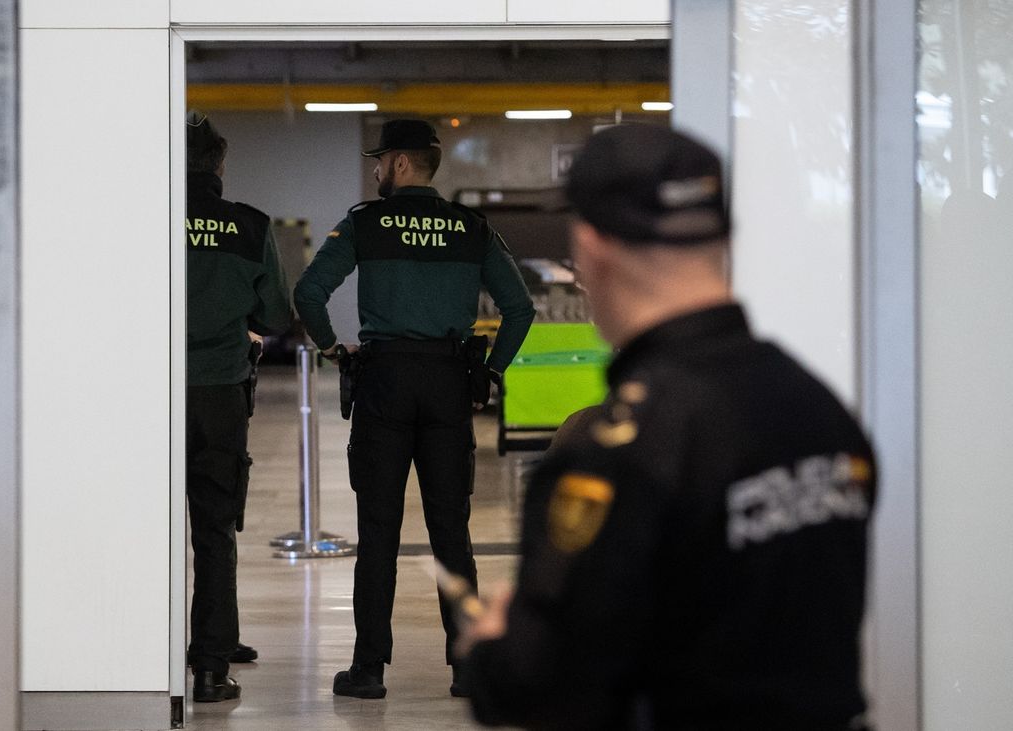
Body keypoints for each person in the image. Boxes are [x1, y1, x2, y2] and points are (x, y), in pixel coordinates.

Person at [459, 123, 878, 730]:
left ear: (591, 246)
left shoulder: (617, 451)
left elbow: (545, 687)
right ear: (723, 235)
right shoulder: (818, 410)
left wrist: (494, 647)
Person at [293, 119, 535, 699]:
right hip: (449, 384)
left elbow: (308, 293)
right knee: (451, 530)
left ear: (401, 163)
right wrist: (491, 369)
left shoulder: (364, 223)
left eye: (380, 161)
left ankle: (369, 669)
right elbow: (519, 307)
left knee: (378, 532)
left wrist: (332, 350)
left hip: (384, 384)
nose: (375, 170)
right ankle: (469, 666)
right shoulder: (470, 227)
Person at [183, 111, 291, 703]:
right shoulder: (249, 226)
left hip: (153, 397)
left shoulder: (144, 216)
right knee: (215, 530)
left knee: (148, 527)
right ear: (220, 166)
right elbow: (275, 315)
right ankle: (210, 666)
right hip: (221, 391)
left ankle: (142, 647)